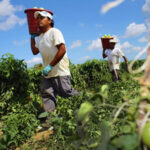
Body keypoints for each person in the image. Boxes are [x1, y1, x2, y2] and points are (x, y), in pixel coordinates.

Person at [30, 11, 78, 129]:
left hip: (59, 70)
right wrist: (32, 37)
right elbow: (34, 51)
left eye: (42, 18)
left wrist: (50, 66)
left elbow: (62, 50)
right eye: (38, 18)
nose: (39, 20)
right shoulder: (40, 37)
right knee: (47, 95)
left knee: (65, 92)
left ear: (49, 20)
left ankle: (84, 102)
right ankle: (49, 120)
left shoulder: (54, 32)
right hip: (48, 73)